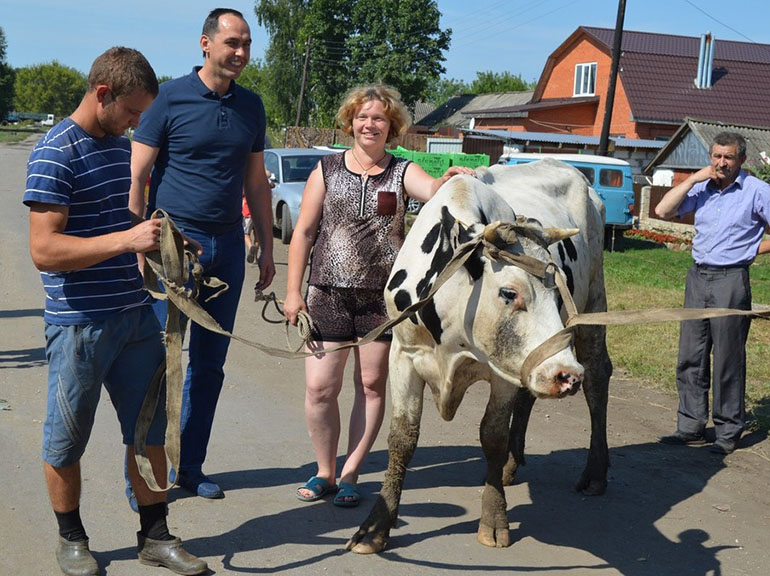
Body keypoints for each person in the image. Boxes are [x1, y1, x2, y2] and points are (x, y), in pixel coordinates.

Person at [24, 47, 207, 576]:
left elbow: (122, 221)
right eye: (131, 112)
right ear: (102, 94)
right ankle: (73, 539)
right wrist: (127, 239)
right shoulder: (55, 152)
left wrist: (160, 239)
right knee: (66, 438)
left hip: (134, 317)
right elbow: (45, 250)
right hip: (79, 324)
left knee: (150, 433)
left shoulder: (115, 145)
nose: (135, 123)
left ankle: (155, 536)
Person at [283, 84, 474, 506]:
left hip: (382, 301)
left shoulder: (402, 171)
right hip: (327, 294)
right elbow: (304, 232)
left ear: (392, 127)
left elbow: (432, 190)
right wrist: (293, 292)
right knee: (319, 389)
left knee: (370, 385)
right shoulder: (326, 170)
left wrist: (450, 179)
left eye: (379, 119)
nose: (370, 125)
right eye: (363, 117)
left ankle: (351, 472)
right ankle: (324, 471)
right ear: (350, 121)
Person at [128, 8, 275, 501]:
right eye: (232, 42)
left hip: (228, 247)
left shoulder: (251, 107)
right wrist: (137, 243)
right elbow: (137, 176)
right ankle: (145, 478)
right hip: (173, 246)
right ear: (205, 44)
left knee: (209, 366)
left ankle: (189, 465)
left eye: (247, 44)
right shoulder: (168, 98)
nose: (241, 53)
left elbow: (256, 182)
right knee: (156, 365)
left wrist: (269, 250)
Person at [655, 131, 770, 455]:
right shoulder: (702, 189)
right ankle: (690, 426)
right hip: (698, 277)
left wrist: (751, 250)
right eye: (716, 156)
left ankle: (727, 431)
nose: (721, 163)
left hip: (731, 280)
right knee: (690, 355)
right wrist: (694, 178)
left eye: (728, 157)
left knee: (727, 359)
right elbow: (663, 211)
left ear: (742, 160)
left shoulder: (757, 191)